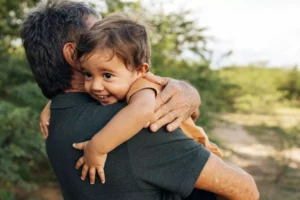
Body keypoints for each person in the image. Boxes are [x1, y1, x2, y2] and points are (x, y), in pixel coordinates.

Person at [20, 0, 259, 200]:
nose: (104, 38)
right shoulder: (131, 127)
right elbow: (246, 190)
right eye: (95, 34)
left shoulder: (55, 122)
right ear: (74, 55)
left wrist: (186, 91)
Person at [72, 13, 223, 187]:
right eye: (88, 74)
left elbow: (142, 112)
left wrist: (97, 147)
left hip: (201, 159)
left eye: (107, 75)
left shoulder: (142, 87)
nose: (95, 86)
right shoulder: (125, 85)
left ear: (139, 70)